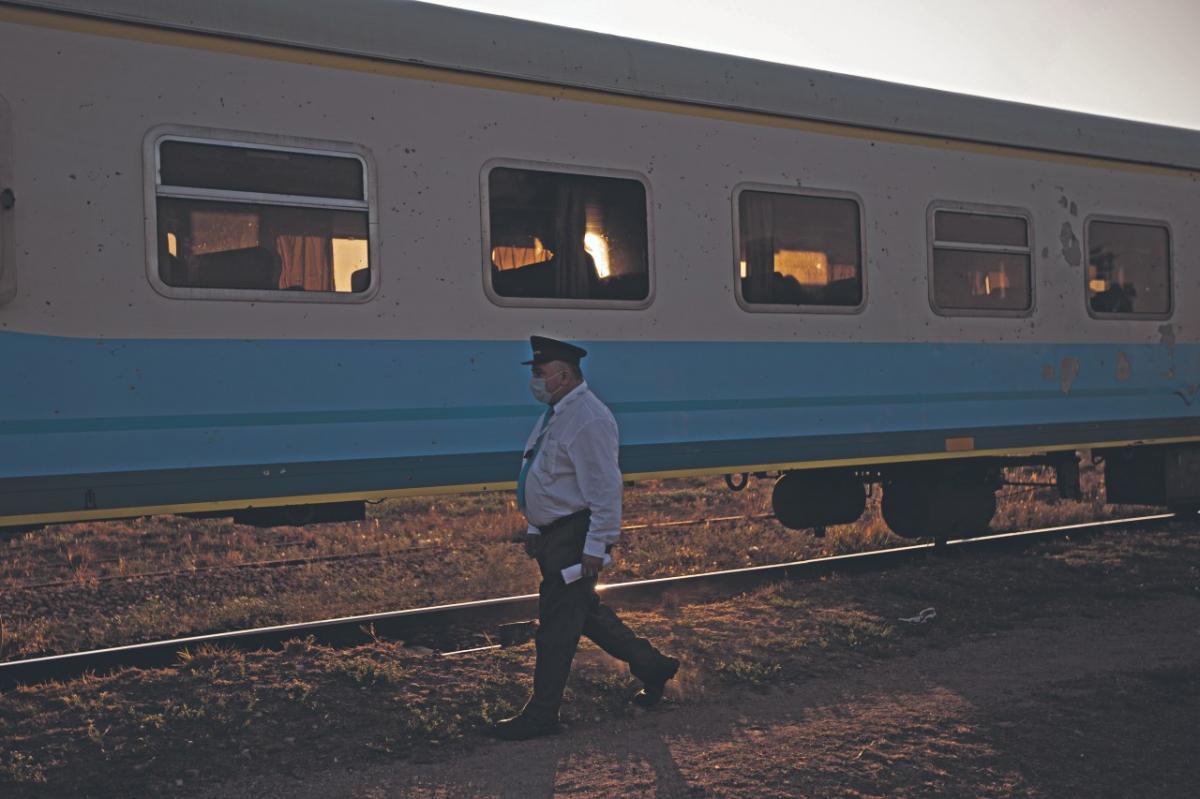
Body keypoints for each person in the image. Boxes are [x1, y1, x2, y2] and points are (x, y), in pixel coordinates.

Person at [492, 335, 680, 741]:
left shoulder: (588, 419)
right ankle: (654, 665)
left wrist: (596, 547)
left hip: (574, 537)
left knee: (557, 627)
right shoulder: (559, 413)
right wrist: (534, 527)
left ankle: (542, 714)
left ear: (562, 375)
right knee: (584, 614)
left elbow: (605, 489)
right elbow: (546, 474)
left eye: (540, 373)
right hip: (555, 535)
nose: (535, 381)